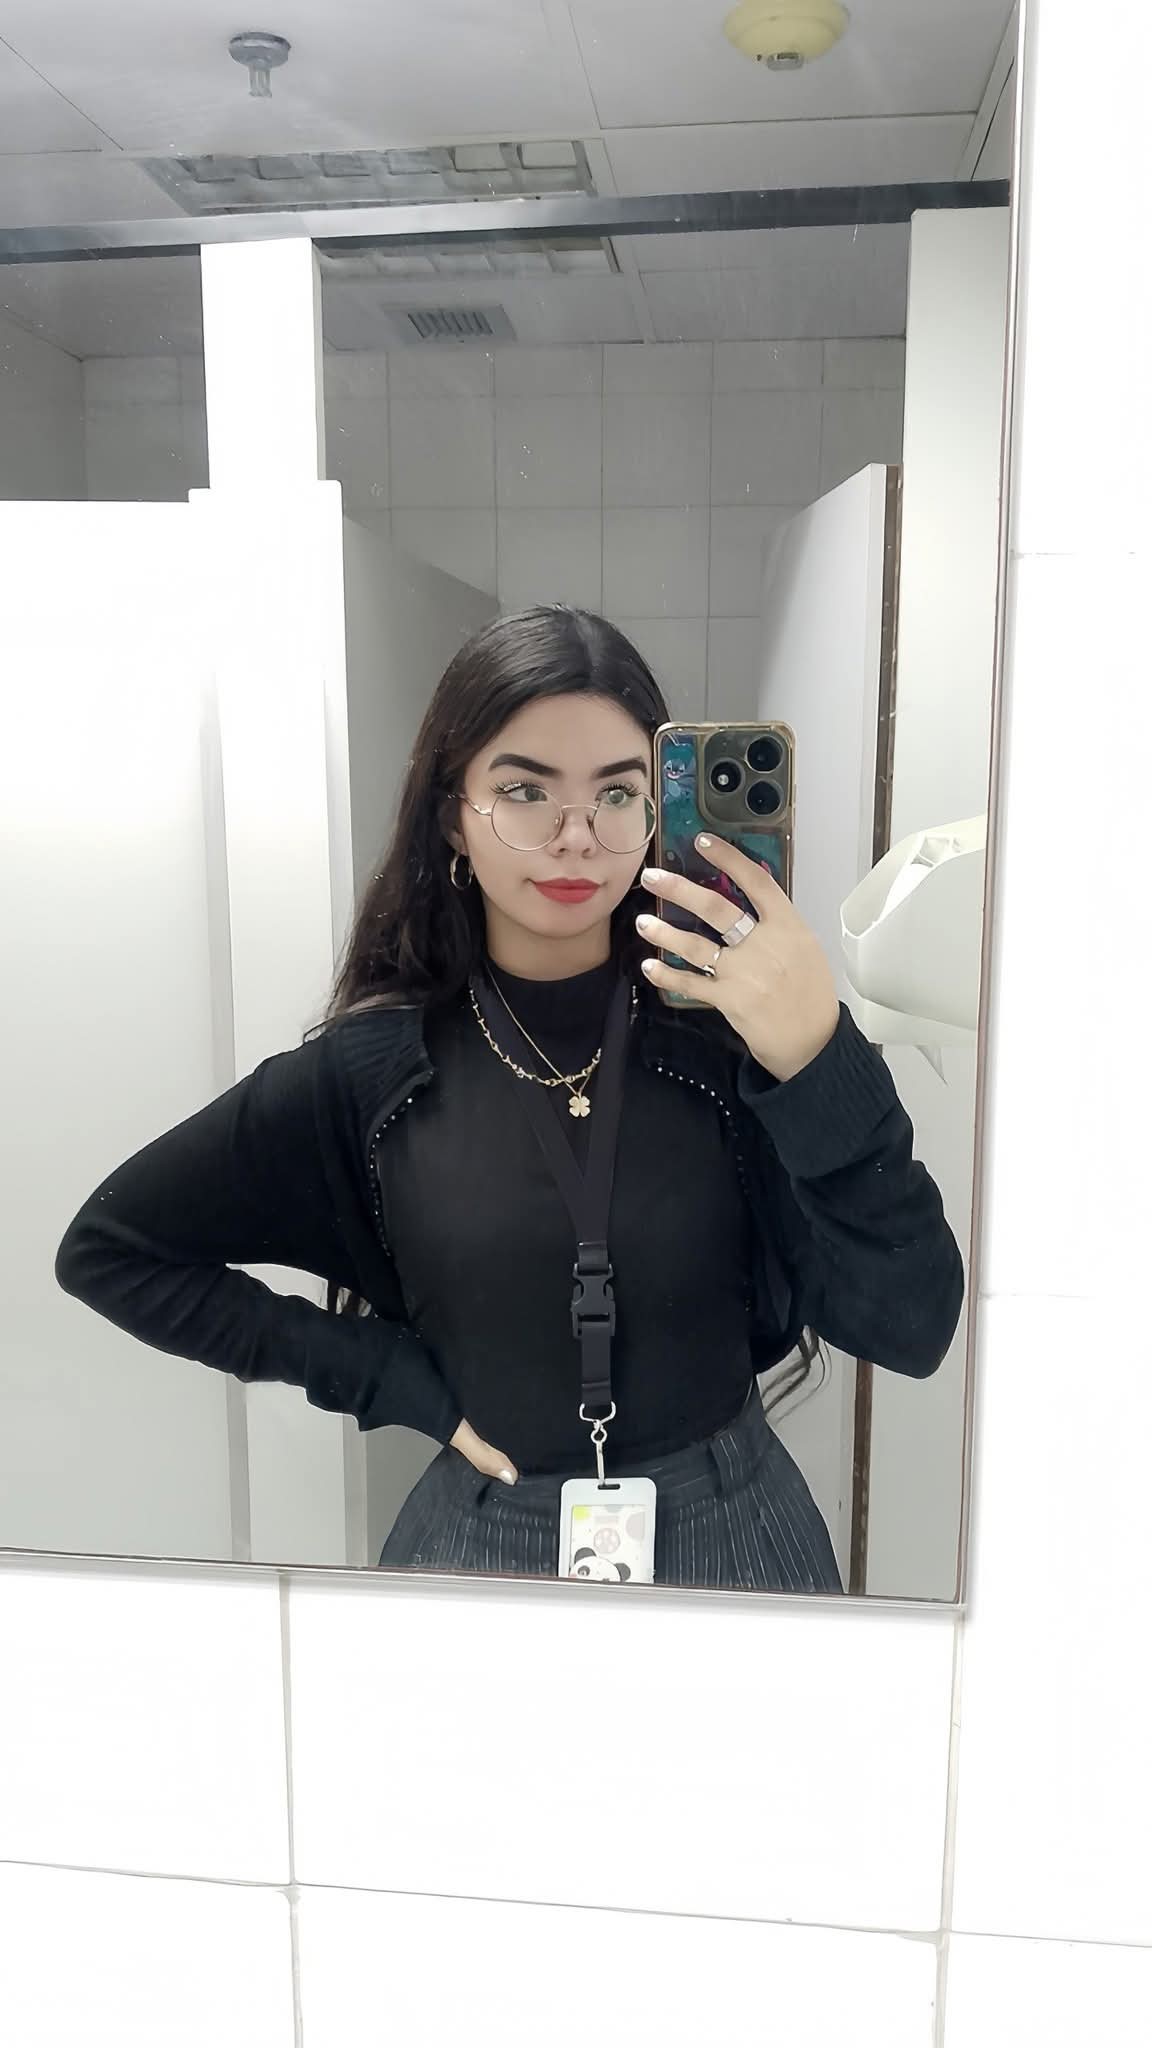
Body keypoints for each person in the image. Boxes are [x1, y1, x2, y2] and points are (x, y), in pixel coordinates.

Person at [55, 605, 964, 1594]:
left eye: (618, 794)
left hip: (740, 1534)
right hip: (481, 1540)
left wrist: (819, 1056)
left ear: (656, 814)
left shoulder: (733, 1039)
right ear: (453, 815)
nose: (576, 838)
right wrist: (386, 1377)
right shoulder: (375, 1071)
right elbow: (110, 1248)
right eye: (525, 790)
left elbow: (912, 1325)